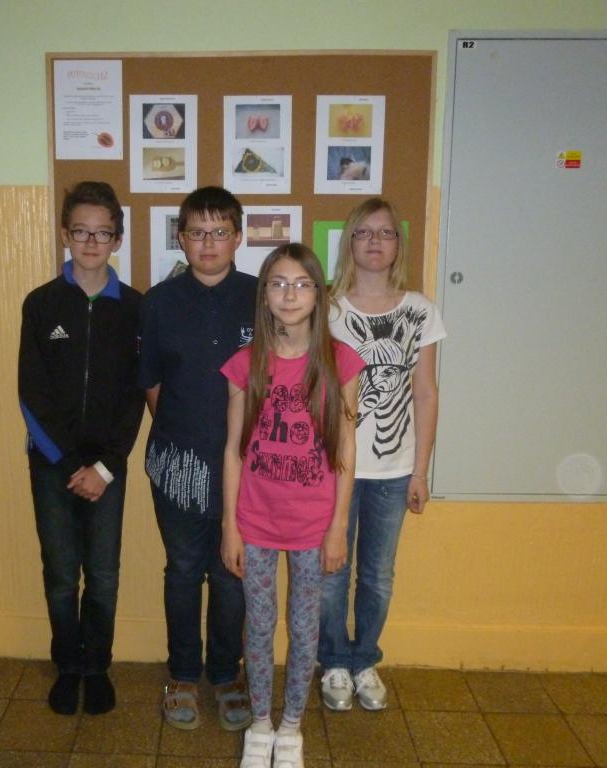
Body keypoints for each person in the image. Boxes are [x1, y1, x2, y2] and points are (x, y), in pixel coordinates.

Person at [222, 243, 363, 768]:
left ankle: (291, 727)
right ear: (264, 294)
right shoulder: (246, 363)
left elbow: (346, 447)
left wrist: (338, 525)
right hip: (256, 522)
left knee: (304, 629)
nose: (289, 294)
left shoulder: (340, 362)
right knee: (259, 626)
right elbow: (234, 451)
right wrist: (230, 526)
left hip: (314, 525)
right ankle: (260, 722)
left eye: (302, 284)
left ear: (318, 295)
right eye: (278, 284)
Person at [18, 181, 144, 716]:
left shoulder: (135, 308)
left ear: (118, 239)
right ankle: (69, 665)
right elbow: (32, 392)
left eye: (103, 233)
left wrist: (107, 466)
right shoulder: (41, 304)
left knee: (105, 574)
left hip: (108, 467)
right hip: (53, 465)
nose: (92, 242)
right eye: (81, 231)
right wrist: (72, 465)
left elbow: (135, 396)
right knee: (61, 573)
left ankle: (97, 667)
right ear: (65, 235)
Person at [318, 198, 446, 711]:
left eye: (386, 233)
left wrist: (421, 471)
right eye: (364, 232)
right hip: (333, 468)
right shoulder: (327, 308)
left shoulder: (420, 310)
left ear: (399, 244)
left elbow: (426, 393)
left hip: (394, 471)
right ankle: (333, 661)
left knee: (377, 575)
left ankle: (363, 659)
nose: (375, 241)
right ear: (349, 241)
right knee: (330, 572)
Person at [138, 186, 257, 731]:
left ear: (238, 237)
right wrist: (185, 436)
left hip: (246, 467)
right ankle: (183, 673)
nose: (208, 243)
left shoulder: (260, 297)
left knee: (232, 574)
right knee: (184, 570)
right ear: (181, 239)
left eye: (219, 232)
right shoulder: (159, 302)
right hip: (178, 465)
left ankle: (227, 674)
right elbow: (152, 385)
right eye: (196, 233)